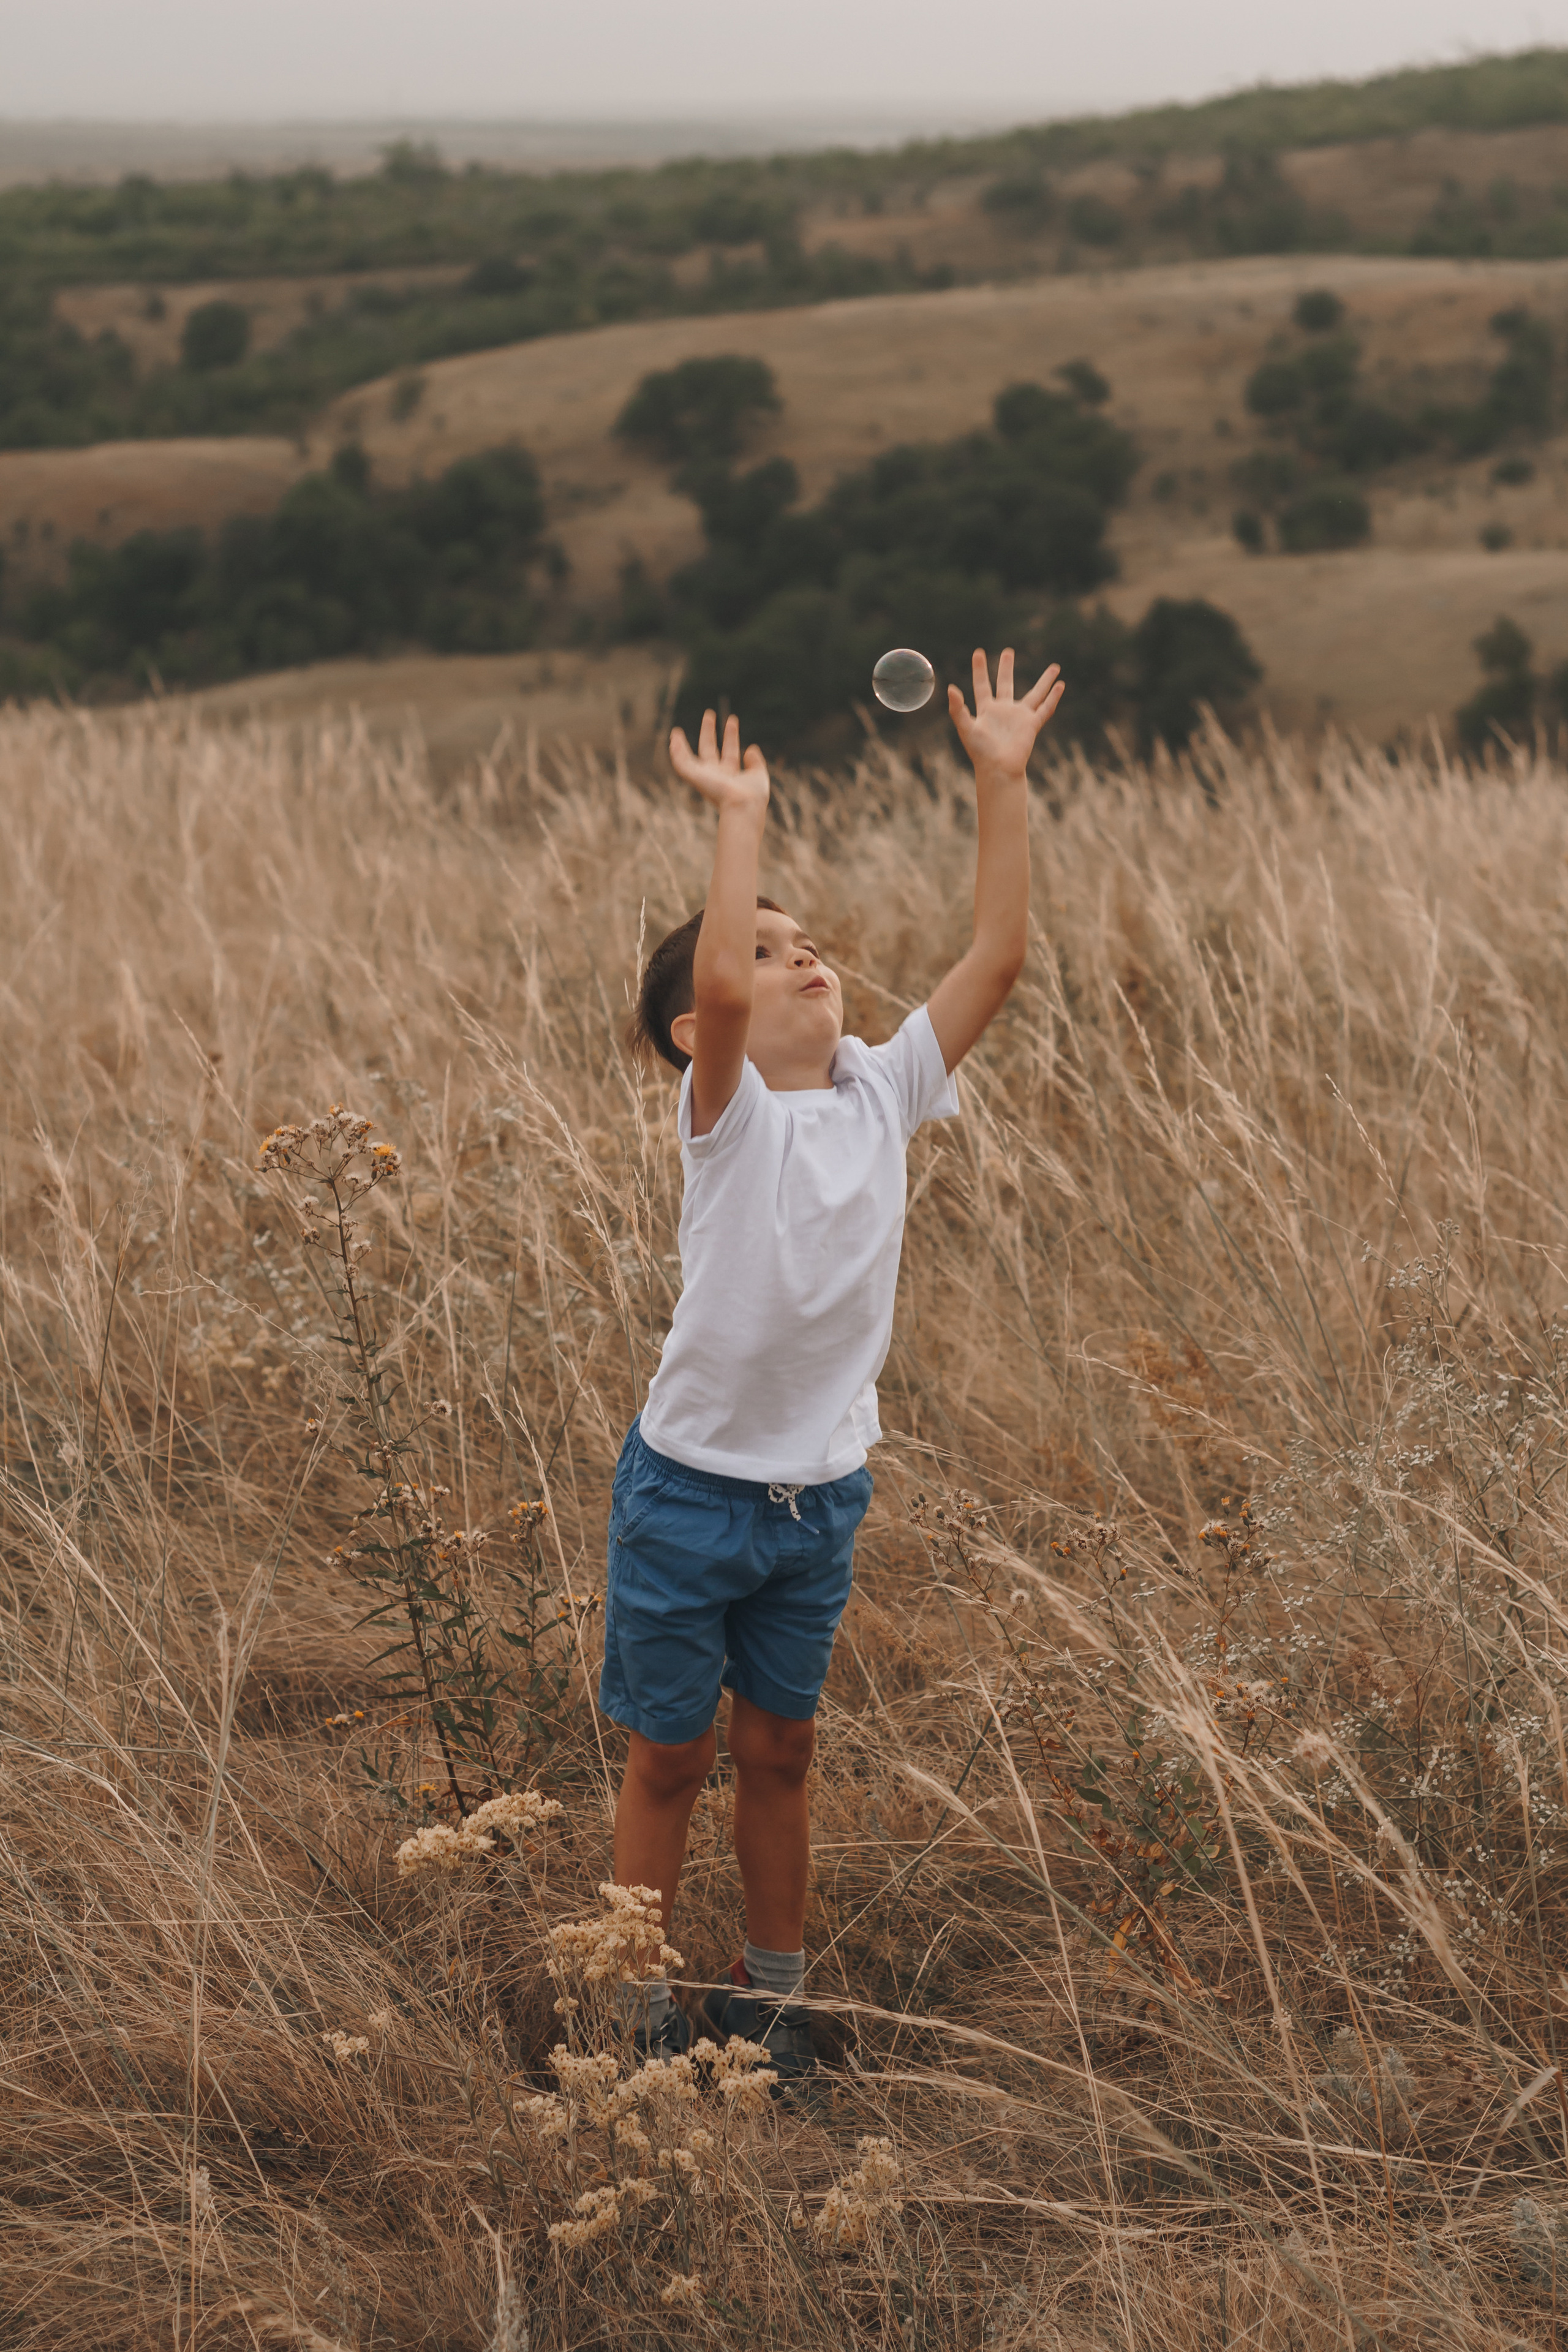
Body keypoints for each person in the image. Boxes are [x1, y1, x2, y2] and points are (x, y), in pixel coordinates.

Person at [603, 647, 1065, 2082]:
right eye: (764, 944)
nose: (806, 959)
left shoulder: (879, 1087)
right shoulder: (725, 1109)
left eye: (811, 942)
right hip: (688, 1494)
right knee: (670, 1762)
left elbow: (995, 957)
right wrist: (738, 817)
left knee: (782, 1755)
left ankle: (768, 1997)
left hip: (815, 1499)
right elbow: (730, 1003)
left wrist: (1001, 781)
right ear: (698, 1030)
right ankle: (628, 2012)